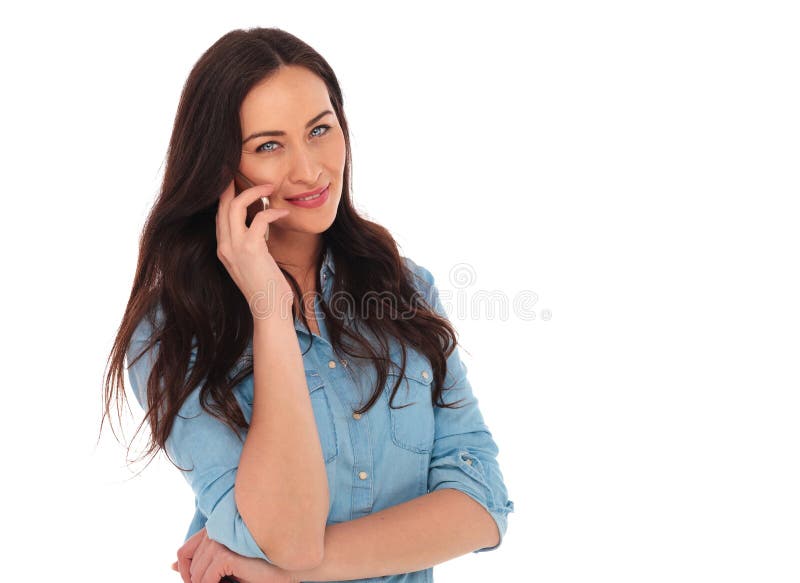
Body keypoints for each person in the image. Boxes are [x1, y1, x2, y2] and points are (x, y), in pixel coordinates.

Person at [102, 27, 514, 583]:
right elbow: (288, 537)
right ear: (221, 167)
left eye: (320, 130)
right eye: (268, 145)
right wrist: (270, 311)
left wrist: (283, 573)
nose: (309, 169)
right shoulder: (171, 333)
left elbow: (482, 500)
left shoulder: (404, 288)